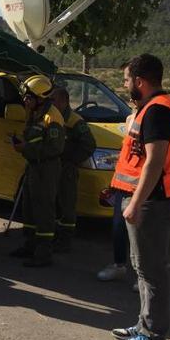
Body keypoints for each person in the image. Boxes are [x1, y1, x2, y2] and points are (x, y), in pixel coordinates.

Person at [110, 54, 170, 340]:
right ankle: (145, 325)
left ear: (140, 82)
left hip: (154, 202)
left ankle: (154, 336)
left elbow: (154, 163)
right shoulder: (151, 108)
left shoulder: (157, 111)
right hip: (153, 199)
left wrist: (136, 202)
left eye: (127, 79)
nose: (125, 84)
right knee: (143, 268)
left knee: (151, 270)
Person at [9, 75, 66, 267]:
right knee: (29, 207)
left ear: (40, 98)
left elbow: (54, 148)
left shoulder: (53, 118)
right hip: (34, 166)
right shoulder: (35, 113)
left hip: (46, 168)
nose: (25, 100)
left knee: (44, 209)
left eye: (29, 97)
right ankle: (30, 245)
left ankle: (43, 253)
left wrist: (25, 148)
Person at [51, 86, 96, 252]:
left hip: (67, 170)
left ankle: (64, 240)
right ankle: (53, 237)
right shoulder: (52, 117)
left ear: (64, 101)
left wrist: (72, 161)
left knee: (67, 205)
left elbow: (89, 145)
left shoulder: (75, 121)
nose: (50, 103)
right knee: (53, 203)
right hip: (53, 167)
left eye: (53, 100)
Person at [98, 109, 135, 282]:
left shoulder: (153, 118)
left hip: (142, 187)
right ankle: (119, 265)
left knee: (140, 235)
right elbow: (125, 159)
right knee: (118, 228)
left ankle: (144, 277)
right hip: (123, 186)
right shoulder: (129, 120)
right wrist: (113, 186)